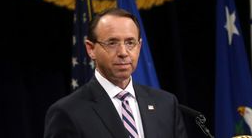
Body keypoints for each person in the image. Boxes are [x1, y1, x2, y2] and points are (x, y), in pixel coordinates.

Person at [44, 8, 188, 138]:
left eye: (130, 42)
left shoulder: (166, 104)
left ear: (139, 46)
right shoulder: (68, 112)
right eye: (112, 43)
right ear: (91, 49)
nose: (123, 53)